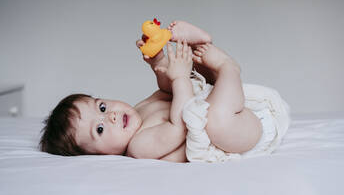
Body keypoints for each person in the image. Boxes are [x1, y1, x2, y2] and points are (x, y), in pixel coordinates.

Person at [39, 21, 290, 163]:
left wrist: (159, 64)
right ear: (97, 155)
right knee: (213, 120)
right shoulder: (138, 146)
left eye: (102, 108)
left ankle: (199, 43)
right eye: (100, 129)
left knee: (193, 76)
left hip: (235, 107)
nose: (111, 117)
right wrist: (179, 76)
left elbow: (166, 93)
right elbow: (179, 124)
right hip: (238, 138)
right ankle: (228, 68)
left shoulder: (136, 111)